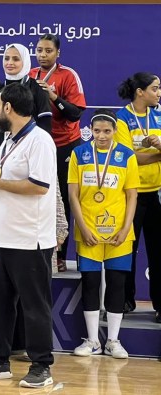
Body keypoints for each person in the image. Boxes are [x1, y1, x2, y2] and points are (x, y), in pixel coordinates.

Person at [0, 83, 57, 388]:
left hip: (30, 239)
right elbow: (4, 181)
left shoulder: (40, 141)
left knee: (34, 307)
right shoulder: (8, 140)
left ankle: (41, 365)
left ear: (8, 107)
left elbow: (39, 186)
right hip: (2, 240)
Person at [70, 109, 137, 359]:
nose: (101, 136)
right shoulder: (79, 154)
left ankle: (113, 341)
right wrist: (83, 228)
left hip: (119, 233)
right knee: (90, 283)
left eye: (107, 131)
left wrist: (125, 228)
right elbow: (73, 196)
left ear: (115, 131)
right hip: (88, 232)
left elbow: (132, 195)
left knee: (117, 284)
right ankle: (92, 341)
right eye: (97, 131)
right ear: (90, 130)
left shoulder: (126, 155)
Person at [30, 34, 87, 271]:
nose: (43, 55)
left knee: (61, 198)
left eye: (48, 51)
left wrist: (53, 96)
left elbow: (76, 114)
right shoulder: (30, 75)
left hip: (64, 144)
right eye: (39, 50)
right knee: (36, 195)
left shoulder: (68, 75)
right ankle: (36, 248)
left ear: (57, 53)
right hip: (36, 144)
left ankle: (61, 253)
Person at [114, 72, 161, 317]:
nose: (159, 93)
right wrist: (159, 153)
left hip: (158, 194)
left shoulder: (160, 114)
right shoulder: (122, 118)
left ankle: (160, 306)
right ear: (140, 92)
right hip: (131, 195)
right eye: (155, 89)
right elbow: (129, 157)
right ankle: (125, 300)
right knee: (126, 251)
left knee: (158, 251)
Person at [0, 44, 52, 155]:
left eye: (16, 59)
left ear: (25, 61)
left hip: (31, 149)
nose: (10, 63)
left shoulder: (38, 88)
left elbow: (45, 124)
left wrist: (38, 150)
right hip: (4, 152)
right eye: (6, 58)